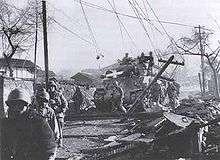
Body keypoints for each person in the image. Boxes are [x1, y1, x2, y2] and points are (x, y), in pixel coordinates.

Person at [1, 88, 57, 160]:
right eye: (13, 105)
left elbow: (49, 149)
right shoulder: (6, 124)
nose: (16, 108)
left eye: (20, 105)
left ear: (28, 106)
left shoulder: (38, 122)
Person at [48, 81, 68, 147]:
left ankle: (60, 140)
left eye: (52, 86)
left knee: (59, 127)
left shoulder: (59, 94)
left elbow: (65, 103)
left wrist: (61, 109)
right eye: (50, 86)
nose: (51, 88)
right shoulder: (47, 95)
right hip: (49, 114)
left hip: (58, 114)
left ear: (54, 87)